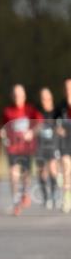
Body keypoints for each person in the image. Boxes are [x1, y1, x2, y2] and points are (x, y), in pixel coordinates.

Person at [1, 84, 42, 216]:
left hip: (26, 148)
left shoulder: (30, 110)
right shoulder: (7, 111)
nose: (17, 97)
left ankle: (25, 192)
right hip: (13, 148)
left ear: (24, 96)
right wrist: (3, 134)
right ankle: (16, 201)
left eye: (19, 95)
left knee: (25, 174)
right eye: (15, 95)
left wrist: (31, 132)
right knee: (13, 173)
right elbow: (4, 128)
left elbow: (40, 124)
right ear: (11, 96)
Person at [35, 87, 61, 210]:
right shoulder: (38, 112)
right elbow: (34, 127)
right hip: (40, 144)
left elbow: (62, 127)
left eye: (47, 98)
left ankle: (55, 194)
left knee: (52, 168)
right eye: (42, 98)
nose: (45, 100)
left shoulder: (56, 112)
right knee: (41, 171)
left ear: (51, 98)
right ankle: (46, 197)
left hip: (53, 144)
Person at [58, 79, 71, 213]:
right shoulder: (61, 106)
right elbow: (54, 122)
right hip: (66, 141)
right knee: (66, 167)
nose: (68, 90)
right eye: (66, 88)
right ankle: (67, 198)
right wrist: (58, 129)